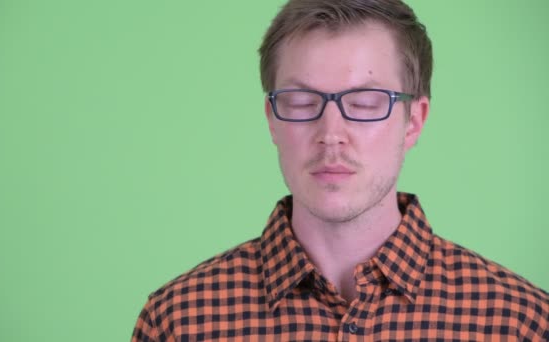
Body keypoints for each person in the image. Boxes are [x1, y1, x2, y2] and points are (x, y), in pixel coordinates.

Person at [131, 0, 549, 340]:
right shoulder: (177, 322)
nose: (331, 134)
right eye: (300, 101)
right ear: (271, 119)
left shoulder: (522, 325)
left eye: (366, 103)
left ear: (414, 121)